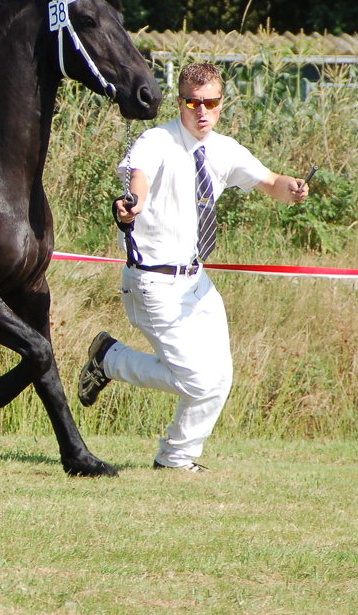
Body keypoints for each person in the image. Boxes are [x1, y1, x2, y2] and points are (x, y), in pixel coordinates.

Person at [78, 62, 310, 472]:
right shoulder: (156, 141)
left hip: (196, 282)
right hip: (152, 280)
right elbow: (139, 179)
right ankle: (110, 359)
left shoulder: (224, 149)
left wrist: (291, 188)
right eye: (192, 102)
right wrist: (131, 206)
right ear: (180, 101)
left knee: (219, 379)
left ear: (222, 103)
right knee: (197, 381)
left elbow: (270, 182)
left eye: (211, 103)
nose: (202, 112)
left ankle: (176, 459)